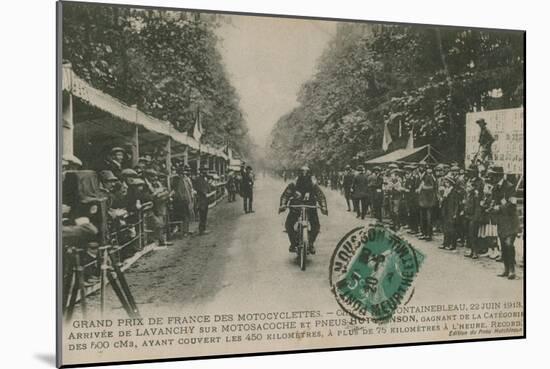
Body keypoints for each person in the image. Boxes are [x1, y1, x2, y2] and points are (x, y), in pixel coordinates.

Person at [279, 165, 328, 254]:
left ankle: (311, 243)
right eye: (302, 173)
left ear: (309, 174)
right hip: (296, 208)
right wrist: (283, 204)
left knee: (316, 226)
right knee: (288, 225)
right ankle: (293, 243)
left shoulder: (313, 185)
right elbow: (286, 195)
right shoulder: (293, 184)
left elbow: (320, 196)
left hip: (310, 208)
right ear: (299, 174)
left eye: (306, 173)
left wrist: (323, 207)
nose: (304, 175)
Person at [490, 166, 520, 279]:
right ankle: (506, 269)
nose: (491, 178)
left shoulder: (510, 187)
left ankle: (512, 270)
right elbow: (494, 201)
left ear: (499, 176)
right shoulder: (495, 188)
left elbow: (512, 204)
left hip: (511, 221)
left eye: (492, 175)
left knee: (509, 244)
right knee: (503, 244)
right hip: (501, 221)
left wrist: (499, 208)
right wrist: (491, 207)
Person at [171, 165, 195, 236]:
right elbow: (179, 191)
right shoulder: (178, 179)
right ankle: (184, 231)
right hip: (181, 200)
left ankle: (185, 230)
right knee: (184, 216)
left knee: (185, 216)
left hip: (183, 200)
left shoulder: (182, 179)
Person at [439, 176, 460, 250]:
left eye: (447, 182)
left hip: (451, 212)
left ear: (451, 183)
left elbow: (457, 204)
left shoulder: (454, 192)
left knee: (452, 229)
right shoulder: (445, 191)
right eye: (445, 182)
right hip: (446, 212)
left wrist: (455, 213)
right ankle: (445, 243)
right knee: (445, 228)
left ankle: (452, 244)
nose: (446, 183)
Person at [417, 164, 437, 241]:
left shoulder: (431, 178)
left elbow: (432, 187)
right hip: (423, 201)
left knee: (429, 219)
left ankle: (428, 234)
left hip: (429, 201)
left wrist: (424, 188)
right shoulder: (423, 177)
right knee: (423, 219)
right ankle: (424, 233)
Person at [194, 166, 211, 235]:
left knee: (204, 214)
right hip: (201, 199)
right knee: (202, 214)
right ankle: (201, 230)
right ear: (202, 171)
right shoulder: (198, 179)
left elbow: (208, 188)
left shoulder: (204, 179)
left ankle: (203, 229)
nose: (206, 172)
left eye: (206, 170)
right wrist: (205, 192)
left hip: (204, 199)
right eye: (205, 170)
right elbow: (200, 189)